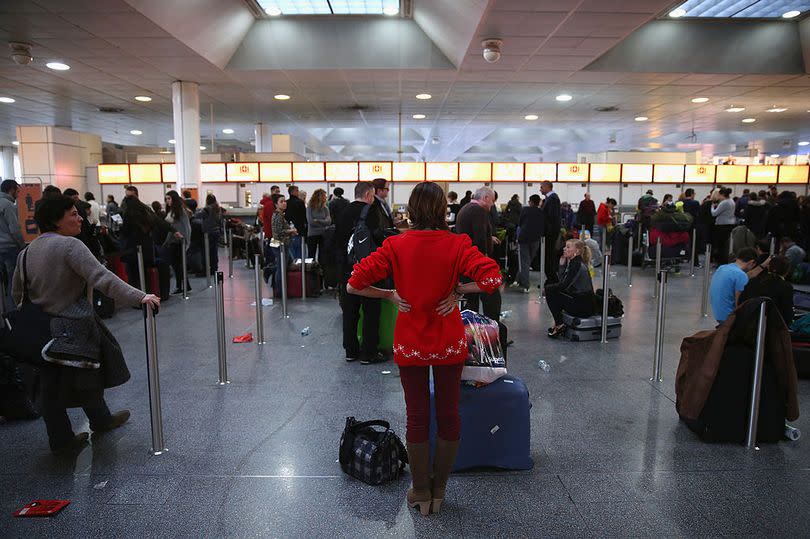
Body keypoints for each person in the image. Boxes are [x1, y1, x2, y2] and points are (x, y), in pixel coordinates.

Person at [346, 181, 501, 517]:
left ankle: (420, 491)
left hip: (411, 343)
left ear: (412, 209)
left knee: (417, 417)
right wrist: (458, 291)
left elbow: (353, 283)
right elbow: (492, 279)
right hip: (449, 341)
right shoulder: (457, 243)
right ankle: (440, 491)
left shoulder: (395, 244)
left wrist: (389, 294)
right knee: (449, 415)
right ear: (443, 208)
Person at [11, 195, 160, 453]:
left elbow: (17, 294)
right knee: (88, 377)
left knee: (49, 383)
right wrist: (140, 296)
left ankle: (63, 438)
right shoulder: (71, 246)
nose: (79, 218)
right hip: (75, 326)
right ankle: (97, 422)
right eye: (72, 214)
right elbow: (103, 278)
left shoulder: (27, 252)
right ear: (56, 221)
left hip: (42, 331)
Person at [333, 182, 383, 363]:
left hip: (346, 268)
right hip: (366, 268)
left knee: (350, 311)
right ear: (369, 195)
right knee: (371, 309)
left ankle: (351, 351)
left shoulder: (343, 211)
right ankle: (369, 352)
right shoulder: (370, 211)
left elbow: (337, 241)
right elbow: (377, 237)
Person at [456, 187, 502, 321]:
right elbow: (479, 237)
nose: (492, 204)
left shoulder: (466, 208)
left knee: (472, 300)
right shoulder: (478, 211)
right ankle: (494, 330)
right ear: (486, 198)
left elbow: (472, 233)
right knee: (492, 296)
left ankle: (473, 331)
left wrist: (489, 238)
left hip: (466, 262)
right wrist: (485, 259)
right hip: (476, 263)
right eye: (492, 201)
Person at [120, 196, 172, 299]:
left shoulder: (128, 216)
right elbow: (162, 225)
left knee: (134, 276)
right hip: (148, 251)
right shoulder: (146, 214)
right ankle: (149, 296)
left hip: (133, 252)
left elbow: (125, 233)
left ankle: (137, 299)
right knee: (145, 276)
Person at [545, 239, 595, 338]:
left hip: (584, 306)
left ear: (576, 251)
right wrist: (562, 266)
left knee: (550, 290)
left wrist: (548, 288)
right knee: (552, 290)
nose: (564, 249)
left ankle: (559, 324)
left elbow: (564, 285)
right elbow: (563, 282)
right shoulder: (574, 262)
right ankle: (558, 323)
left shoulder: (576, 264)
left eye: (568, 247)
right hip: (581, 301)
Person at [739, 255, 793, 326]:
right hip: (771, 328)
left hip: (746, 325)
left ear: (768, 266)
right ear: (787, 271)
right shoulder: (786, 287)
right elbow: (787, 314)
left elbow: (741, 303)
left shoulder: (752, 281)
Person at [709, 247, 757, 325]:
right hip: (729, 317)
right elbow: (739, 303)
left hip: (718, 314)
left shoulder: (722, 268)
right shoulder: (741, 275)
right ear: (752, 262)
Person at [0, 180, 24, 304]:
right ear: (11, 190)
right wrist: (22, 245)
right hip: (9, 248)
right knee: (13, 280)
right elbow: (14, 229)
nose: (18, 194)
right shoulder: (8, 205)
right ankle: (13, 308)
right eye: (18, 191)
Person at [164, 190, 192, 294]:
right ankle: (183, 286)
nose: (167, 201)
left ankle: (182, 286)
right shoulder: (173, 211)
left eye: (169, 198)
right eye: (166, 199)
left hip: (178, 242)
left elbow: (186, 228)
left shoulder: (180, 212)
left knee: (179, 265)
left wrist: (186, 241)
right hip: (174, 242)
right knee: (177, 266)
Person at [514, 194, 543, 292]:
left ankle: (525, 284)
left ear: (530, 201)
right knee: (528, 260)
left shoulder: (525, 210)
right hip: (536, 239)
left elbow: (520, 223)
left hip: (524, 238)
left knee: (524, 261)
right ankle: (518, 279)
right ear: (539, 202)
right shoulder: (541, 212)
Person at [270, 193, 297, 295]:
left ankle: (282, 289)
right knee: (281, 269)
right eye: (281, 201)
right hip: (280, 245)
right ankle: (280, 291)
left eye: (285, 201)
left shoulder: (281, 215)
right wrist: (290, 231)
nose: (284, 203)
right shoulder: (278, 216)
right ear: (276, 204)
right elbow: (278, 232)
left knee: (284, 266)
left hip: (283, 244)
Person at [540, 181, 561, 284]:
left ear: (547, 187)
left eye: (541, 187)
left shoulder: (553, 199)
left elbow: (551, 217)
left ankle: (553, 280)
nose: (540, 189)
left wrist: (547, 231)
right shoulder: (549, 199)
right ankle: (550, 279)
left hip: (550, 233)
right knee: (547, 256)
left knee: (548, 256)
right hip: (549, 232)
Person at [711, 188, 736, 264]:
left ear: (722, 195)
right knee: (726, 245)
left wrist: (712, 207)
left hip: (722, 225)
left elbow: (714, 213)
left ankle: (721, 261)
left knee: (720, 245)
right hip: (730, 224)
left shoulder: (724, 202)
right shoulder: (731, 201)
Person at [306, 188, 331, 264]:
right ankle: (311, 272)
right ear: (319, 197)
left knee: (322, 256)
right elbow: (310, 222)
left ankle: (321, 272)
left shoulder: (325, 208)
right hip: (312, 234)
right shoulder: (310, 208)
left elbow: (329, 221)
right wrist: (323, 222)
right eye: (324, 196)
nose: (326, 198)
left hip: (323, 234)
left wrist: (317, 220)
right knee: (311, 255)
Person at [200, 194, 222, 274]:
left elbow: (198, 215)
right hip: (216, 231)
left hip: (208, 232)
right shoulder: (217, 208)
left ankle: (206, 269)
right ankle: (214, 267)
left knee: (206, 251)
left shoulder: (207, 209)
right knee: (214, 251)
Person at [285, 185, 307, 259]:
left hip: (288, 230)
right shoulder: (300, 202)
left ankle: (292, 266)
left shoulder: (286, 203)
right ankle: (300, 268)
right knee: (300, 251)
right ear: (293, 192)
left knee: (291, 251)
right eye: (297, 191)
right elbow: (304, 216)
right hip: (299, 230)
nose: (298, 192)